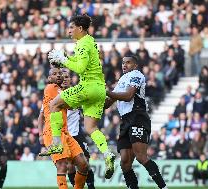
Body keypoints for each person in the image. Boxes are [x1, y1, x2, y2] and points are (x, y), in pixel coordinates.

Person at [43, 14, 115, 179]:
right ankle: (107, 153)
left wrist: (64, 60)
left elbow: (81, 68)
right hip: (99, 89)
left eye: (71, 28)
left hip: (87, 87)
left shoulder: (82, 43)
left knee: (54, 104)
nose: (68, 31)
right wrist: (65, 59)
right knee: (91, 128)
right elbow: (82, 62)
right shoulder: (91, 41)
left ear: (80, 29)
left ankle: (56, 143)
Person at [105, 55, 168, 189]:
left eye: (128, 62)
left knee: (141, 157)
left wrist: (107, 92)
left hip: (137, 116)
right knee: (125, 162)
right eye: (123, 63)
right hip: (125, 120)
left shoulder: (137, 75)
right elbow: (107, 104)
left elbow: (128, 96)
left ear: (135, 65)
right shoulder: (121, 80)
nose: (124, 65)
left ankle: (163, 187)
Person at [38, 68, 95, 189]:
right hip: (53, 133)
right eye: (54, 74)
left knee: (83, 165)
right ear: (49, 78)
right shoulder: (50, 88)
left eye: (60, 74)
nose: (58, 76)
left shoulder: (63, 90)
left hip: (66, 133)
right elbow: (68, 103)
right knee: (63, 166)